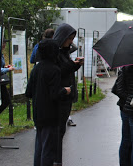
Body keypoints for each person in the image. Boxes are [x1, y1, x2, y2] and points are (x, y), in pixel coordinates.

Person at [26, 39, 71, 166]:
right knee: (48, 149)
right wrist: (65, 91)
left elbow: (28, 92)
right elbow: (55, 94)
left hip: (38, 114)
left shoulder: (36, 69)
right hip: (51, 115)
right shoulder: (54, 70)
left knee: (39, 147)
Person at [52, 23, 83, 166]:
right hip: (61, 96)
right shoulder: (56, 53)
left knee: (61, 129)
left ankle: (57, 159)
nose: (71, 42)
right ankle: (56, 159)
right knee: (58, 130)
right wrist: (74, 65)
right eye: (69, 38)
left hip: (67, 95)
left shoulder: (65, 52)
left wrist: (75, 65)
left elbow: (67, 68)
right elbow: (61, 70)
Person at [112, 67, 132, 166]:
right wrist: (131, 100)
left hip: (127, 107)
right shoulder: (125, 69)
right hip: (126, 108)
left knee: (130, 140)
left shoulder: (125, 67)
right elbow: (118, 89)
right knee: (127, 139)